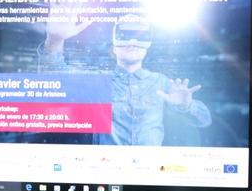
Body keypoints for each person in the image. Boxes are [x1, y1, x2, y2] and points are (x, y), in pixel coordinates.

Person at [40, 17, 211, 145]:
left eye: (139, 37)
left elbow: (204, 120)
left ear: (146, 48)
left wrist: (186, 106)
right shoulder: (98, 81)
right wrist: (54, 40)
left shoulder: (161, 83)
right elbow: (54, 76)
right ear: (114, 48)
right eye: (125, 36)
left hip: (149, 174)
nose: (132, 42)